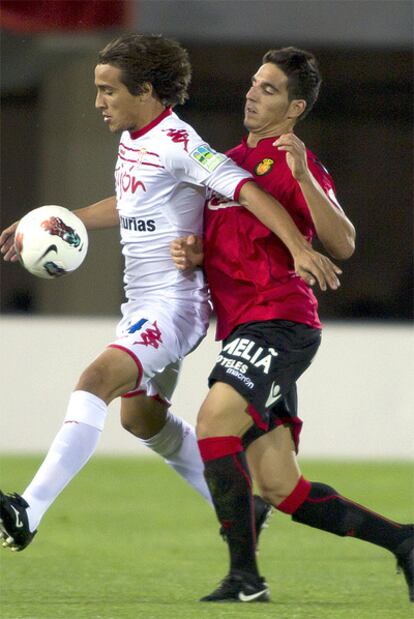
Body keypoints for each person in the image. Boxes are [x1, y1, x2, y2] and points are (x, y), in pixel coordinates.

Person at [0, 35, 340, 555]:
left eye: (108, 91)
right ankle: (242, 508)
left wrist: (297, 246)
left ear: (148, 91)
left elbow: (244, 187)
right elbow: (131, 201)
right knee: (141, 419)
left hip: (173, 308)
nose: (99, 102)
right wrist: (57, 220)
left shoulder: (181, 144)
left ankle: (29, 509)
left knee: (95, 381)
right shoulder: (137, 137)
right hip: (142, 304)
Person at [171, 47, 413, 603]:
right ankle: (403, 541)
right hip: (244, 327)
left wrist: (303, 176)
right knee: (281, 486)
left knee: (213, 422)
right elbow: (235, 247)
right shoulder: (225, 166)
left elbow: (343, 242)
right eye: (254, 83)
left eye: (270, 89)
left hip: (280, 321)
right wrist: (196, 252)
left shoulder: (294, 163)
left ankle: (245, 579)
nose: (253, 94)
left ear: (295, 106)